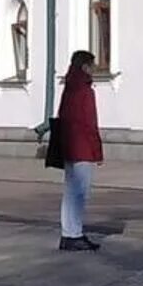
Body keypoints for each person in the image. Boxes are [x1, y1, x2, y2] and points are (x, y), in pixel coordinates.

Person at [46, 50, 103, 250]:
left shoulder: (69, 88)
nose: (94, 70)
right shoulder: (86, 90)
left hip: (69, 145)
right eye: (92, 66)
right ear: (85, 66)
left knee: (70, 192)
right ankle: (74, 234)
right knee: (80, 193)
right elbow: (90, 122)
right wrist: (97, 151)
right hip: (83, 148)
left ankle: (68, 233)